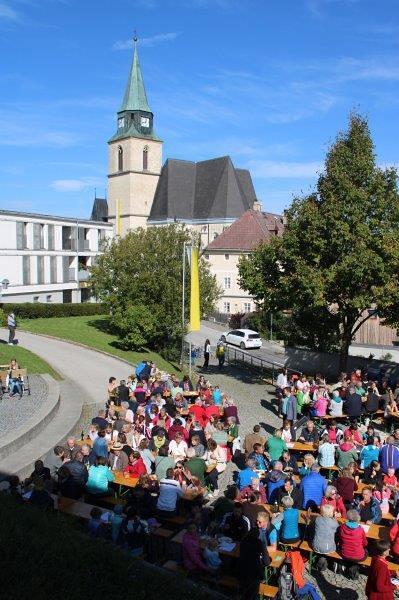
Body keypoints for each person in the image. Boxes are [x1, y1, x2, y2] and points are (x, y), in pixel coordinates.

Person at [239, 527, 270, 600]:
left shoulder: (243, 542)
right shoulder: (259, 543)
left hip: (242, 570)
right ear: (258, 535)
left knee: (244, 593)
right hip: (254, 573)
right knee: (253, 593)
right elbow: (267, 561)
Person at [339, 509, 368, 576]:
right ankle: (355, 567)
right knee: (366, 551)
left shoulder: (342, 527)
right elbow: (365, 543)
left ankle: (349, 566)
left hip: (344, 553)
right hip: (358, 556)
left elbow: (341, 539)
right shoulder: (360, 529)